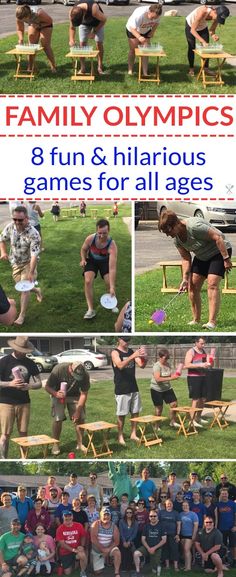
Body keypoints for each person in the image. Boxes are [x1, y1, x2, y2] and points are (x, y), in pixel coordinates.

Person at [158, 210, 233, 329]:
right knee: (192, 286)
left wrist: (226, 259)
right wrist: (185, 279)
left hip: (219, 251)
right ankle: (196, 320)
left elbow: (218, 238)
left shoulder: (195, 227)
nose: (168, 234)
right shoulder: (177, 240)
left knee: (212, 284)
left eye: (168, 231)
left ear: (176, 224)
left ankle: (211, 322)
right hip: (202, 256)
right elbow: (186, 258)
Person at [0, 336, 42, 459]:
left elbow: (39, 383)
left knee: (23, 433)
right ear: (15, 348)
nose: (25, 354)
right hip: (6, 402)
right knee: (5, 434)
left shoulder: (30, 363)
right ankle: (3, 459)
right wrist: (10, 384)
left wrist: (30, 386)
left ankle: (24, 458)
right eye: (22, 351)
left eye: (26, 352)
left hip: (24, 402)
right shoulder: (4, 361)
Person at [0, 205, 42, 326]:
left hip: (29, 263)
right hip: (15, 263)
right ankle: (37, 290)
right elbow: (1, 239)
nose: (17, 222)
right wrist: (3, 252)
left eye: (20, 220)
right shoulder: (10, 227)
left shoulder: (34, 234)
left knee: (24, 289)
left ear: (27, 219)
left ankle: (21, 316)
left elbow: (34, 255)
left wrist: (31, 272)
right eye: (15, 219)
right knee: (21, 286)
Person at [45, 361, 90, 456]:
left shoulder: (85, 375)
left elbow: (84, 394)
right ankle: (55, 444)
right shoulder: (59, 369)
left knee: (80, 418)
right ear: (70, 368)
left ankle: (80, 443)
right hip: (58, 394)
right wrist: (56, 394)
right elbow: (47, 387)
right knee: (58, 418)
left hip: (75, 396)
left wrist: (77, 411)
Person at [111, 337, 147, 445]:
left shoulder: (131, 351)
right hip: (122, 388)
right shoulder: (115, 352)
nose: (127, 342)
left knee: (135, 412)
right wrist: (133, 356)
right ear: (119, 340)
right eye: (125, 340)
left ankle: (133, 434)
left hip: (133, 387)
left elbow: (142, 365)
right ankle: (120, 436)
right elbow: (120, 365)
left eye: (129, 340)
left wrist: (145, 357)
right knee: (121, 415)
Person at [80, 218, 118, 319]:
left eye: (104, 233)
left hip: (105, 262)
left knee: (108, 282)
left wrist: (112, 286)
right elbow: (83, 249)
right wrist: (83, 259)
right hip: (92, 260)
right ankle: (90, 309)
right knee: (88, 281)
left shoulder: (112, 245)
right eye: (99, 233)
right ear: (97, 231)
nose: (101, 236)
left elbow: (112, 268)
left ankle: (112, 303)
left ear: (108, 231)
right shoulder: (90, 239)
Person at [185, 4, 230, 76]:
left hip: (202, 27)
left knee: (207, 47)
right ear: (215, 12)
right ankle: (191, 69)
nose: (217, 20)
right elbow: (192, 30)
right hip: (190, 25)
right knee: (192, 47)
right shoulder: (203, 11)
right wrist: (203, 41)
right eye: (218, 18)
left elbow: (211, 30)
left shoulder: (216, 17)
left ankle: (206, 69)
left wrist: (213, 35)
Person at [69, 2, 107, 75]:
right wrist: (71, 39)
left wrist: (94, 31)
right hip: (84, 24)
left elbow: (104, 20)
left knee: (99, 43)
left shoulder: (94, 8)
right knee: (82, 44)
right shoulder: (72, 12)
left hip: (98, 23)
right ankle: (83, 68)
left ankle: (100, 66)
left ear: (84, 14)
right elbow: (72, 27)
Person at [16, 5, 56, 73]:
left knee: (45, 45)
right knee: (31, 46)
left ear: (27, 16)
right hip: (33, 23)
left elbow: (50, 21)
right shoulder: (19, 16)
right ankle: (32, 68)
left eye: (23, 20)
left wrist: (38, 25)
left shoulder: (39, 13)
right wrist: (21, 38)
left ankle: (53, 67)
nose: (21, 21)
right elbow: (20, 29)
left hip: (46, 25)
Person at [126, 4, 162, 76]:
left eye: (155, 18)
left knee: (145, 51)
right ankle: (130, 70)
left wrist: (152, 32)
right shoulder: (139, 14)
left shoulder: (157, 14)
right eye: (152, 17)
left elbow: (156, 23)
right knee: (133, 50)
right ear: (149, 11)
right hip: (132, 30)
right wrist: (139, 37)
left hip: (146, 30)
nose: (153, 19)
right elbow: (132, 28)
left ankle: (145, 72)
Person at [184, 338, 210, 428]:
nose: (203, 345)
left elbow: (207, 365)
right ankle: (192, 420)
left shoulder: (204, 351)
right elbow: (186, 365)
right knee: (195, 399)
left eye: (204, 344)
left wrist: (210, 361)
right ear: (196, 343)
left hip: (203, 377)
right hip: (193, 378)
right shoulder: (191, 352)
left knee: (203, 399)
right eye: (202, 343)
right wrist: (200, 365)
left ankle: (198, 417)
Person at [150, 348, 179, 428]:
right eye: (165, 358)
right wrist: (171, 378)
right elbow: (158, 379)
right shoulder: (157, 366)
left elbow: (170, 375)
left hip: (167, 388)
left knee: (174, 404)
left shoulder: (168, 365)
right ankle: (156, 426)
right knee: (159, 409)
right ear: (160, 357)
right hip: (156, 389)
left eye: (168, 358)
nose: (167, 359)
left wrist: (176, 375)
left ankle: (172, 422)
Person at [133, 508, 166, 577]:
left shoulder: (162, 526)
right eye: (151, 516)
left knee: (155, 569)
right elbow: (143, 539)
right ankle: (138, 572)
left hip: (157, 548)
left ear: (157, 517)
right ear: (149, 517)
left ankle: (154, 567)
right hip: (147, 547)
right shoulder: (146, 526)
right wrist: (148, 548)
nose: (153, 517)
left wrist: (154, 548)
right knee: (136, 553)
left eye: (154, 516)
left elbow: (164, 540)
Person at [90, 508, 121, 577]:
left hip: (109, 548)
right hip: (97, 549)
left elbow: (117, 542)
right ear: (100, 516)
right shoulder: (95, 524)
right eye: (104, 515)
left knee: (117, 552)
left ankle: (117, 572)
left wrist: (108, 549)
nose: (106, 517)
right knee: (97, 572)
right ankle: (104, 560)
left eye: (108, 515)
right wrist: (103, 549)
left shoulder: (114, 526)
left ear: (110, 516)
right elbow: (93, 539)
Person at [56, 510, 87, 577]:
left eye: (70, 516)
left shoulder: (79, 525)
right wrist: (73, 550)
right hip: (65, 552)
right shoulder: (60, 529)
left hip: (77, 549)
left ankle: (83, 571)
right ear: (63, 517)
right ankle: (75, 562)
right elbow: (62, 544)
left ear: (72, 517)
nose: (68, 518)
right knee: (68, 573)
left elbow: (83, 536)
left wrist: (82, 546)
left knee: (82, 554)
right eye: (66, 516)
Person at [215, 488, 236, 567]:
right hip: (221, 528)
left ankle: (234, 560)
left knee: (233, 545)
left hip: (231, 528)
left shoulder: (233, 504)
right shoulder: (218, 504)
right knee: (222, 546)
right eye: (223, 493)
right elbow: (216, 517)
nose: (224, 495)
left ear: (228, 494)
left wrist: (235, 526)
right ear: (220, 494)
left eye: (225, 493)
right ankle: (223, 560)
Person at [158, 499, 180, 571]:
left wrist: (178, 534)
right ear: (165, 505)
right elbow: (158, 522)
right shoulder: (161, 512)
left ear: (172, 505)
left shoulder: (176, 513)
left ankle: (175, 566)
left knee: (175, 550)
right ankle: (167, 566)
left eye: (170, 503)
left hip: (173, 534)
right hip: (163, 534)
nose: (169, 505)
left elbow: (178, 524)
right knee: (165, 549)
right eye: (167, 504)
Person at [179, 501, 199, 571]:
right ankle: (186, 565)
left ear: (189, 506)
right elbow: (179, 525)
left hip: (190, 535)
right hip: (182, 535)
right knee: (185, 551)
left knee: (186, 549)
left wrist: (194, 535)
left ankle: (188, 567)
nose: (185, 507)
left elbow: (196, 526)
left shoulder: (193, 514)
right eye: (183, 505)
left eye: (186, 505)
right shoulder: (180, 514)